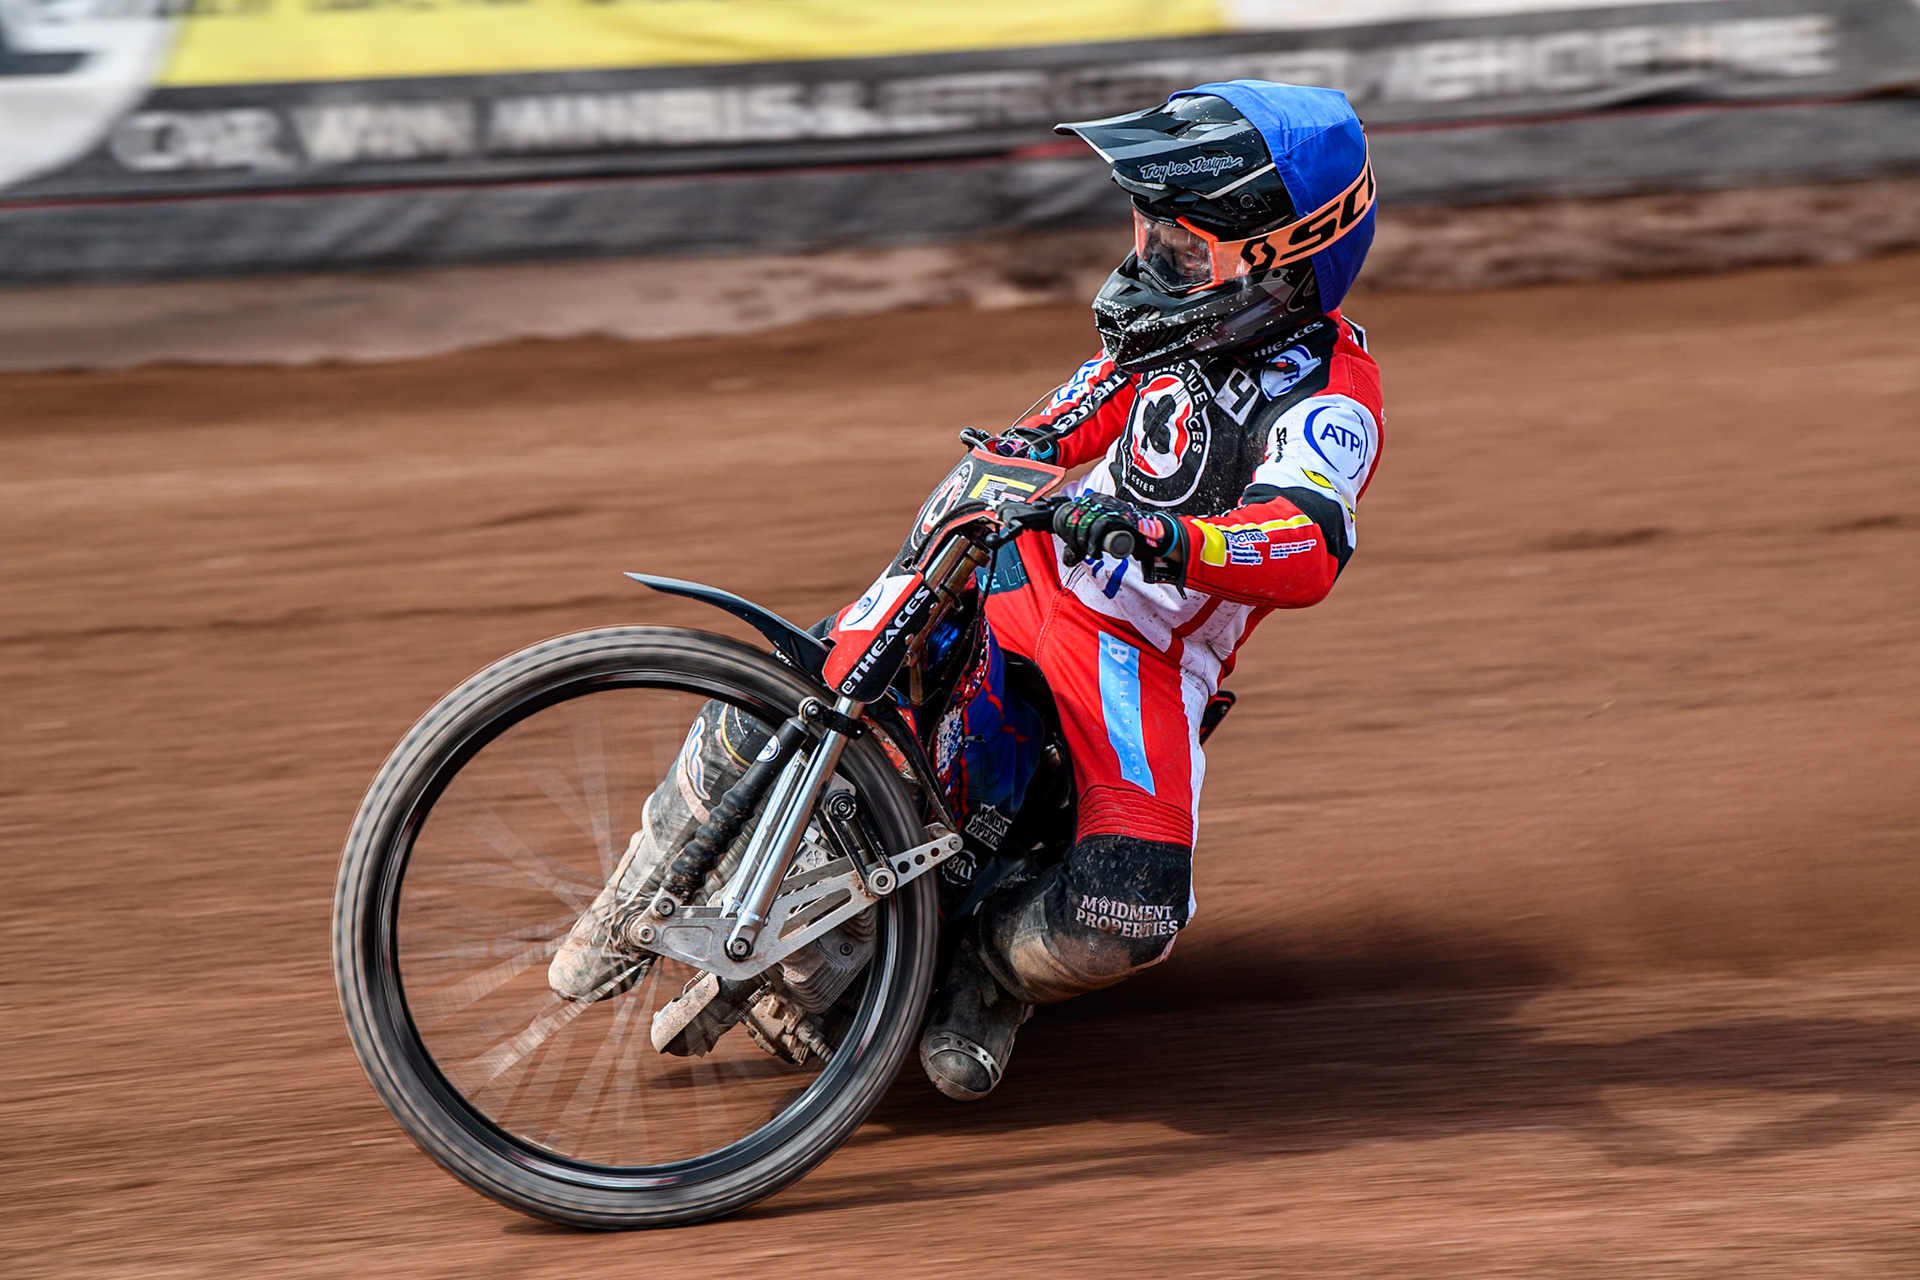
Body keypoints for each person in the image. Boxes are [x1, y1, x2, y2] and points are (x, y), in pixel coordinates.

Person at [551, 80, 1384, 1102]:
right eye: (1149, 229)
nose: (1150, 260)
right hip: (1028, 572)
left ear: (1282, 260)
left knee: (1133, 913)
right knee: (815, 672)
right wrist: (1009, 470)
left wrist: (1163, 534)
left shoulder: (1333, 396)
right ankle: (646, 872)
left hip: (1146, 656)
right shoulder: (1163, 333)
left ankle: (983, 971)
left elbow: (1304, 542)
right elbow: (1061, 422)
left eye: (1183, 247)